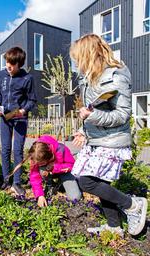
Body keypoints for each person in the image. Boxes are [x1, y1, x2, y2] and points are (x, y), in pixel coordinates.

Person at [70, 34, 148, 237]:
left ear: (88, 54)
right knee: (99, 182)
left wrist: (92, 115)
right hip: (97, 138)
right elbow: (94, 109)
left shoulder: (116, 75)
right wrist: (83, 129)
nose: (77, 62)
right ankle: (114, 227)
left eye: (78, 57)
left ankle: (132, 205)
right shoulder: (90, 77)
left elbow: (122, 115)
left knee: (87, 181)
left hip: (111, 140)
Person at [0, 46, 37, 195]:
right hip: (4, 118)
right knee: (5, 149)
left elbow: (32, 100)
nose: (8, 67)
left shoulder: (27, 79)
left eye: (12, 64)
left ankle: (17, 182)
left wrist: (24, 110)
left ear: (19, 64)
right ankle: (6, 179)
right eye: (7, 63)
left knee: (17, 150)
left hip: (20, 119)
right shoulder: (0, 76)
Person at [12, 135, 81, 207]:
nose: (39, 164)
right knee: (42, 169)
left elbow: (73, 166)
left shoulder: (61, 149)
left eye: (41, 163)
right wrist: (39, 196)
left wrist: (55, 167)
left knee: (75, 197)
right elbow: (34, 177)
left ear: (48, 156)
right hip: (50, 172)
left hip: (65, 172)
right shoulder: (35, 155)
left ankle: (60, 184)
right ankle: (50, 185)